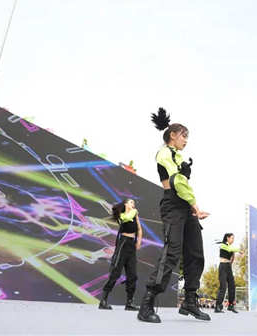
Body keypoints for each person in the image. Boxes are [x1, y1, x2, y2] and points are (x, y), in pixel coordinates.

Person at [137, 108, 211, 324]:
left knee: (195, 252)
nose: (186, 140)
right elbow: (177, 181)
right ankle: (147, 304)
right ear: (173, 135)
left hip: (185, 205)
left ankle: (190, 300)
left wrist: (192, 207)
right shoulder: (164, 153)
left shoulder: (178, 156)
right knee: (172, 252)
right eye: (183, 136)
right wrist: (196, 206)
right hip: (174, 204)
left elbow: (183, 182)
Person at [99, 198, 142, 311]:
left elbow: (139, 229)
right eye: (131, 202)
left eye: (134, 203)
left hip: (131, 245)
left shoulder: (134, 215)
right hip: (123, 244)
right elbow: (125, 217)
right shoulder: (122, 216)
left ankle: (129, 303)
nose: (133, 204)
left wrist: (138, 241)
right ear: (125, 204)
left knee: (132, 275)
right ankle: (103, 301)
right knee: (115, 272)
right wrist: (132, 211)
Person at [214, 233, 240, 314]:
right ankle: (218, 306)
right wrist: (239, 251)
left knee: (232, 285)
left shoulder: (231, 248)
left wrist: (231, 261)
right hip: (223, 266)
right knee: (223, 286)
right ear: (227, 238)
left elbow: (232, 257)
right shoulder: (223, 245)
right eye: (232, 238)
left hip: (228, 267)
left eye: (233, 238)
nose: (233, 240)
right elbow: (229, 249)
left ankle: (231, 305)